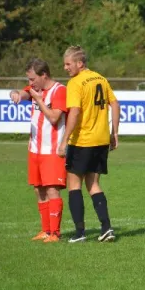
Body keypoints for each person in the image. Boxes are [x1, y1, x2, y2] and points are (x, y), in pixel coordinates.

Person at [57, 45, 120, 243]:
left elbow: (74, 112)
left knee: (74, 185)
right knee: (93, 185)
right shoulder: (100, 78)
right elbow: (115, 104)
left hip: (83, 140)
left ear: (79, 63)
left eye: (68, 64)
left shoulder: (76, 83)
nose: (66, 68)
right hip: (101, 140)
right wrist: (114, 133)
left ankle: (80, 233)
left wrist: (64, 140)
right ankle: (106, 228)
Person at [9, 58, 67, 242]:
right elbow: (22, 93)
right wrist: (15, 94)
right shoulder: (34, 89)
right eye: (28, 79)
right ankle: (45, 230)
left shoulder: (60, 91)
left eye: (33, 79)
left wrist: (39, 100)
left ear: (44, 75)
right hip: (35, 148)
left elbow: (53, 118)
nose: (30, 83)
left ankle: (55, 233)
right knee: (38, 189)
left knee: (51, 189)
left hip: (52, 149)